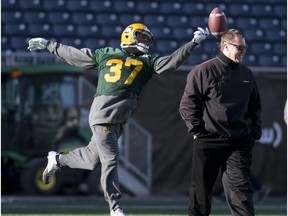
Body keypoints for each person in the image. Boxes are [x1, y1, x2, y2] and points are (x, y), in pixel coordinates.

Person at [27, 23, 209, 216]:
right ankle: (114, 206)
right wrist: (50, 45)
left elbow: (172, 61)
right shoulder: (106, 54)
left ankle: (57, 159)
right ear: (129, 36)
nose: (145, 42)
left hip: (118, 121)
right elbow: (75, 55)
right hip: (103, 116)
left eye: (147, 39)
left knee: (90, 160)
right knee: (111, 158)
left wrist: (193, 43)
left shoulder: (148, 61)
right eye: (142, 37)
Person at [179, 29, 262, 216]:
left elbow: (255, 106)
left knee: (241, 191)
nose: (243, 51)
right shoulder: (203, 71)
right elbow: (187, 104)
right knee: (201, 192)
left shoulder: (247, 74)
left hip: (239, 143)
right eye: (239, 47)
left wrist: (253, 133)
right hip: (208, 140)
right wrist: (197, 131)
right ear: (225, 46)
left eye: (245, 47)